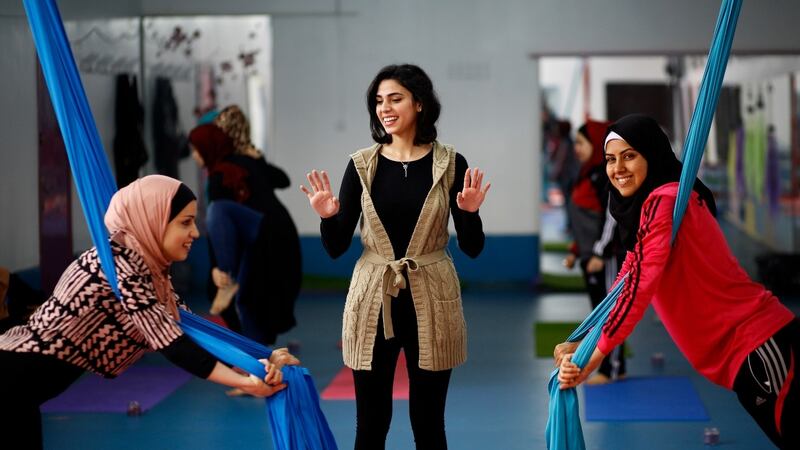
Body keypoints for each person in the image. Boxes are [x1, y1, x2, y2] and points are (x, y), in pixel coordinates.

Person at [0, 175, 298, 450]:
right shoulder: (120, 268)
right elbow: (173, 343)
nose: (195, 232)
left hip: (23, 389)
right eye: (185, 222)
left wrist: (255, 360)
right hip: (11, 376)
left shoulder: (146, 269)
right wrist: (246, 382)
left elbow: (190, 329)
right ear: (153, 219)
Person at [555, 114, 798, 449]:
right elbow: (628, 276)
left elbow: (641, 282)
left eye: (629, 156)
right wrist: (587, 339)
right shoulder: (652, 206)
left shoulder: (663, 201)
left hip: (756, 343)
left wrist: (595, 356)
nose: (618, 168)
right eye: (611, 159)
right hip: (747, 351)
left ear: (651, 154)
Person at [300, 63, 489, 450]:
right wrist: (328, 217)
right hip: (372, 297)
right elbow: (336, 248)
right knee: (371, 424)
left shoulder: (451, 163)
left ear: (419, 103)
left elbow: (472, 248)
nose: (384, 108)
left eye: (395, 99)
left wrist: (470, 214)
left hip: (433, 298)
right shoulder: (361, 165)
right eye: (378, 101)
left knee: (429, 423)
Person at [188, 121, 300, 348]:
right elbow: (282, 179)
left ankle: (227, 279)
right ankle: (257, 363)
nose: (193, 156)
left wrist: (219, 269)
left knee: (217, 210)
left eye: (196, 149)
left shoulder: (219, 176)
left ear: (207, 148)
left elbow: (219, 228)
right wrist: (259, 160)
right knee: (247, 301)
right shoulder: (248, 160)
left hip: (266, 234)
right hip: (281, 237)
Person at [562, 119, 627, 384]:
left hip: (606, 258)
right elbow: (585, 221)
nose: (576, 148)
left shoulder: (605, 177)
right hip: (590, 256)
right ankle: (610, 366)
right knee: (598, 314)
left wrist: (600, 253)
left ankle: (612, 369)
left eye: (581, 143)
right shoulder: (586, 173)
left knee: (610, 314)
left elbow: (611, 218)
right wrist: (576, 251)